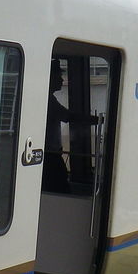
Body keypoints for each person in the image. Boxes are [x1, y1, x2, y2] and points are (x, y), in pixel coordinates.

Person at [44, 60, 99, 194]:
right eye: (58, 75)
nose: (62, 79)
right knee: (60, 189)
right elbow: (70, 117)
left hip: (51, 155)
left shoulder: (48, 99)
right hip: (50, 157)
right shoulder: (49, 101)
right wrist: (98, 120)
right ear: (49, 77)